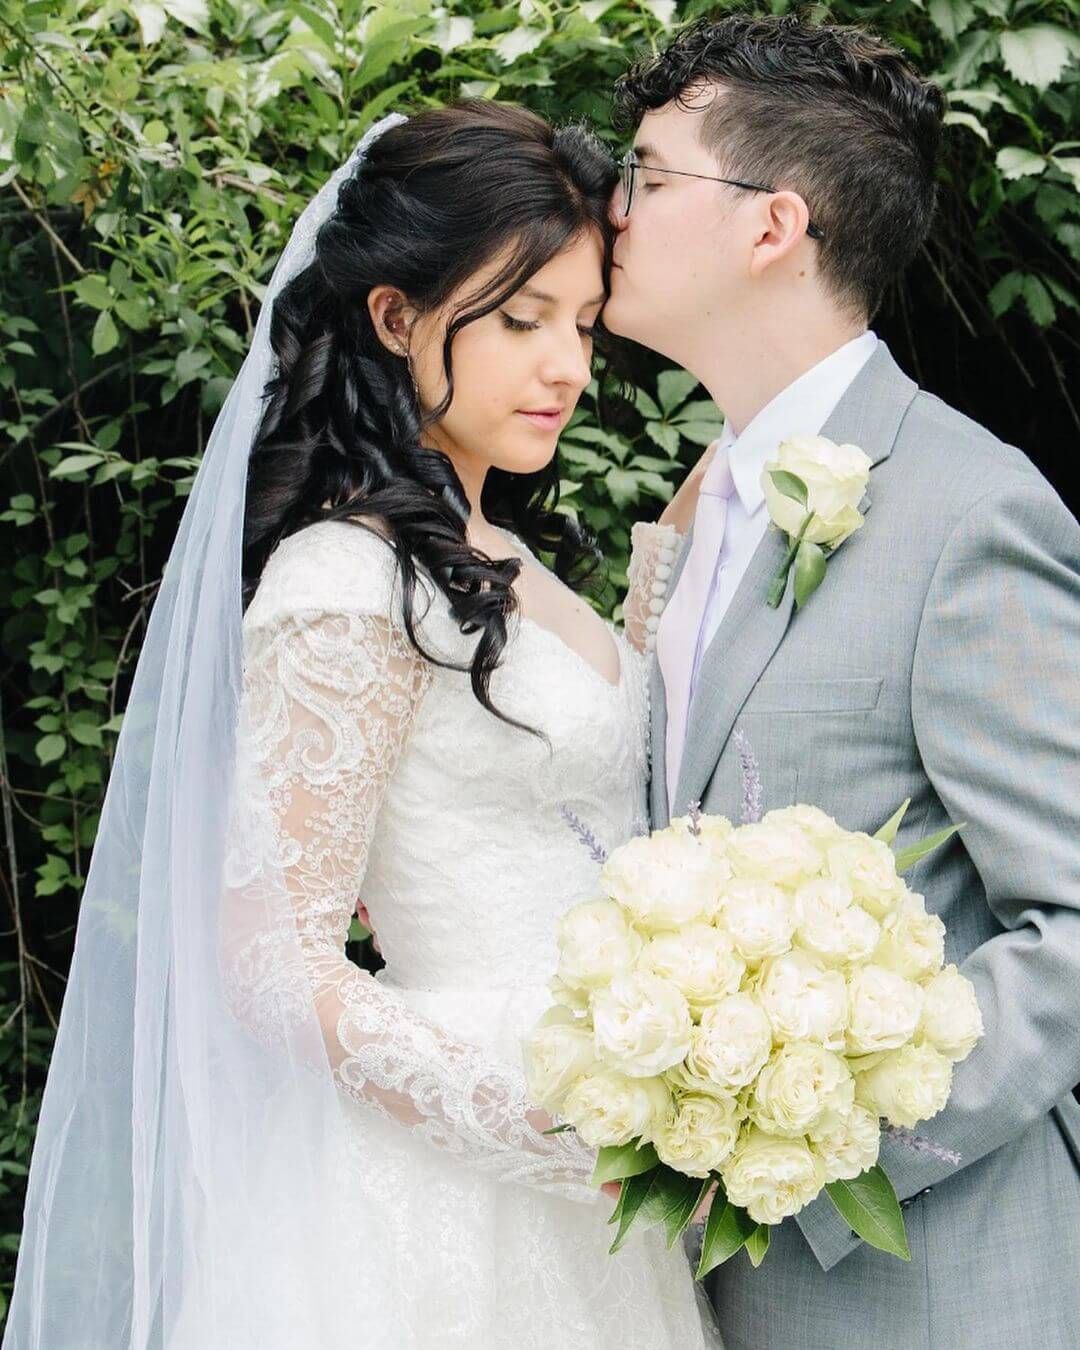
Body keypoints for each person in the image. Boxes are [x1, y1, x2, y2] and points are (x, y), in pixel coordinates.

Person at [2, 102, 720, 1348]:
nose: (568, 367)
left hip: (604, 1141)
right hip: (451, 1181)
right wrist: (551, 1129)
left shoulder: (496, 551)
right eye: (521, 320)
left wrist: (698, 528)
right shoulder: (343, 577)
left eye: (586, 326)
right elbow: (271, 958)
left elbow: (594, 746)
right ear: (397, 318)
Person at [603, 13, 1080, 1350]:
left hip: (931, 1280)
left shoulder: (969, 511)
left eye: (647, 174)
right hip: (696, 1288)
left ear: (773, 225)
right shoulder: (698, 508)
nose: (610, 212)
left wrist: (815, 1127)